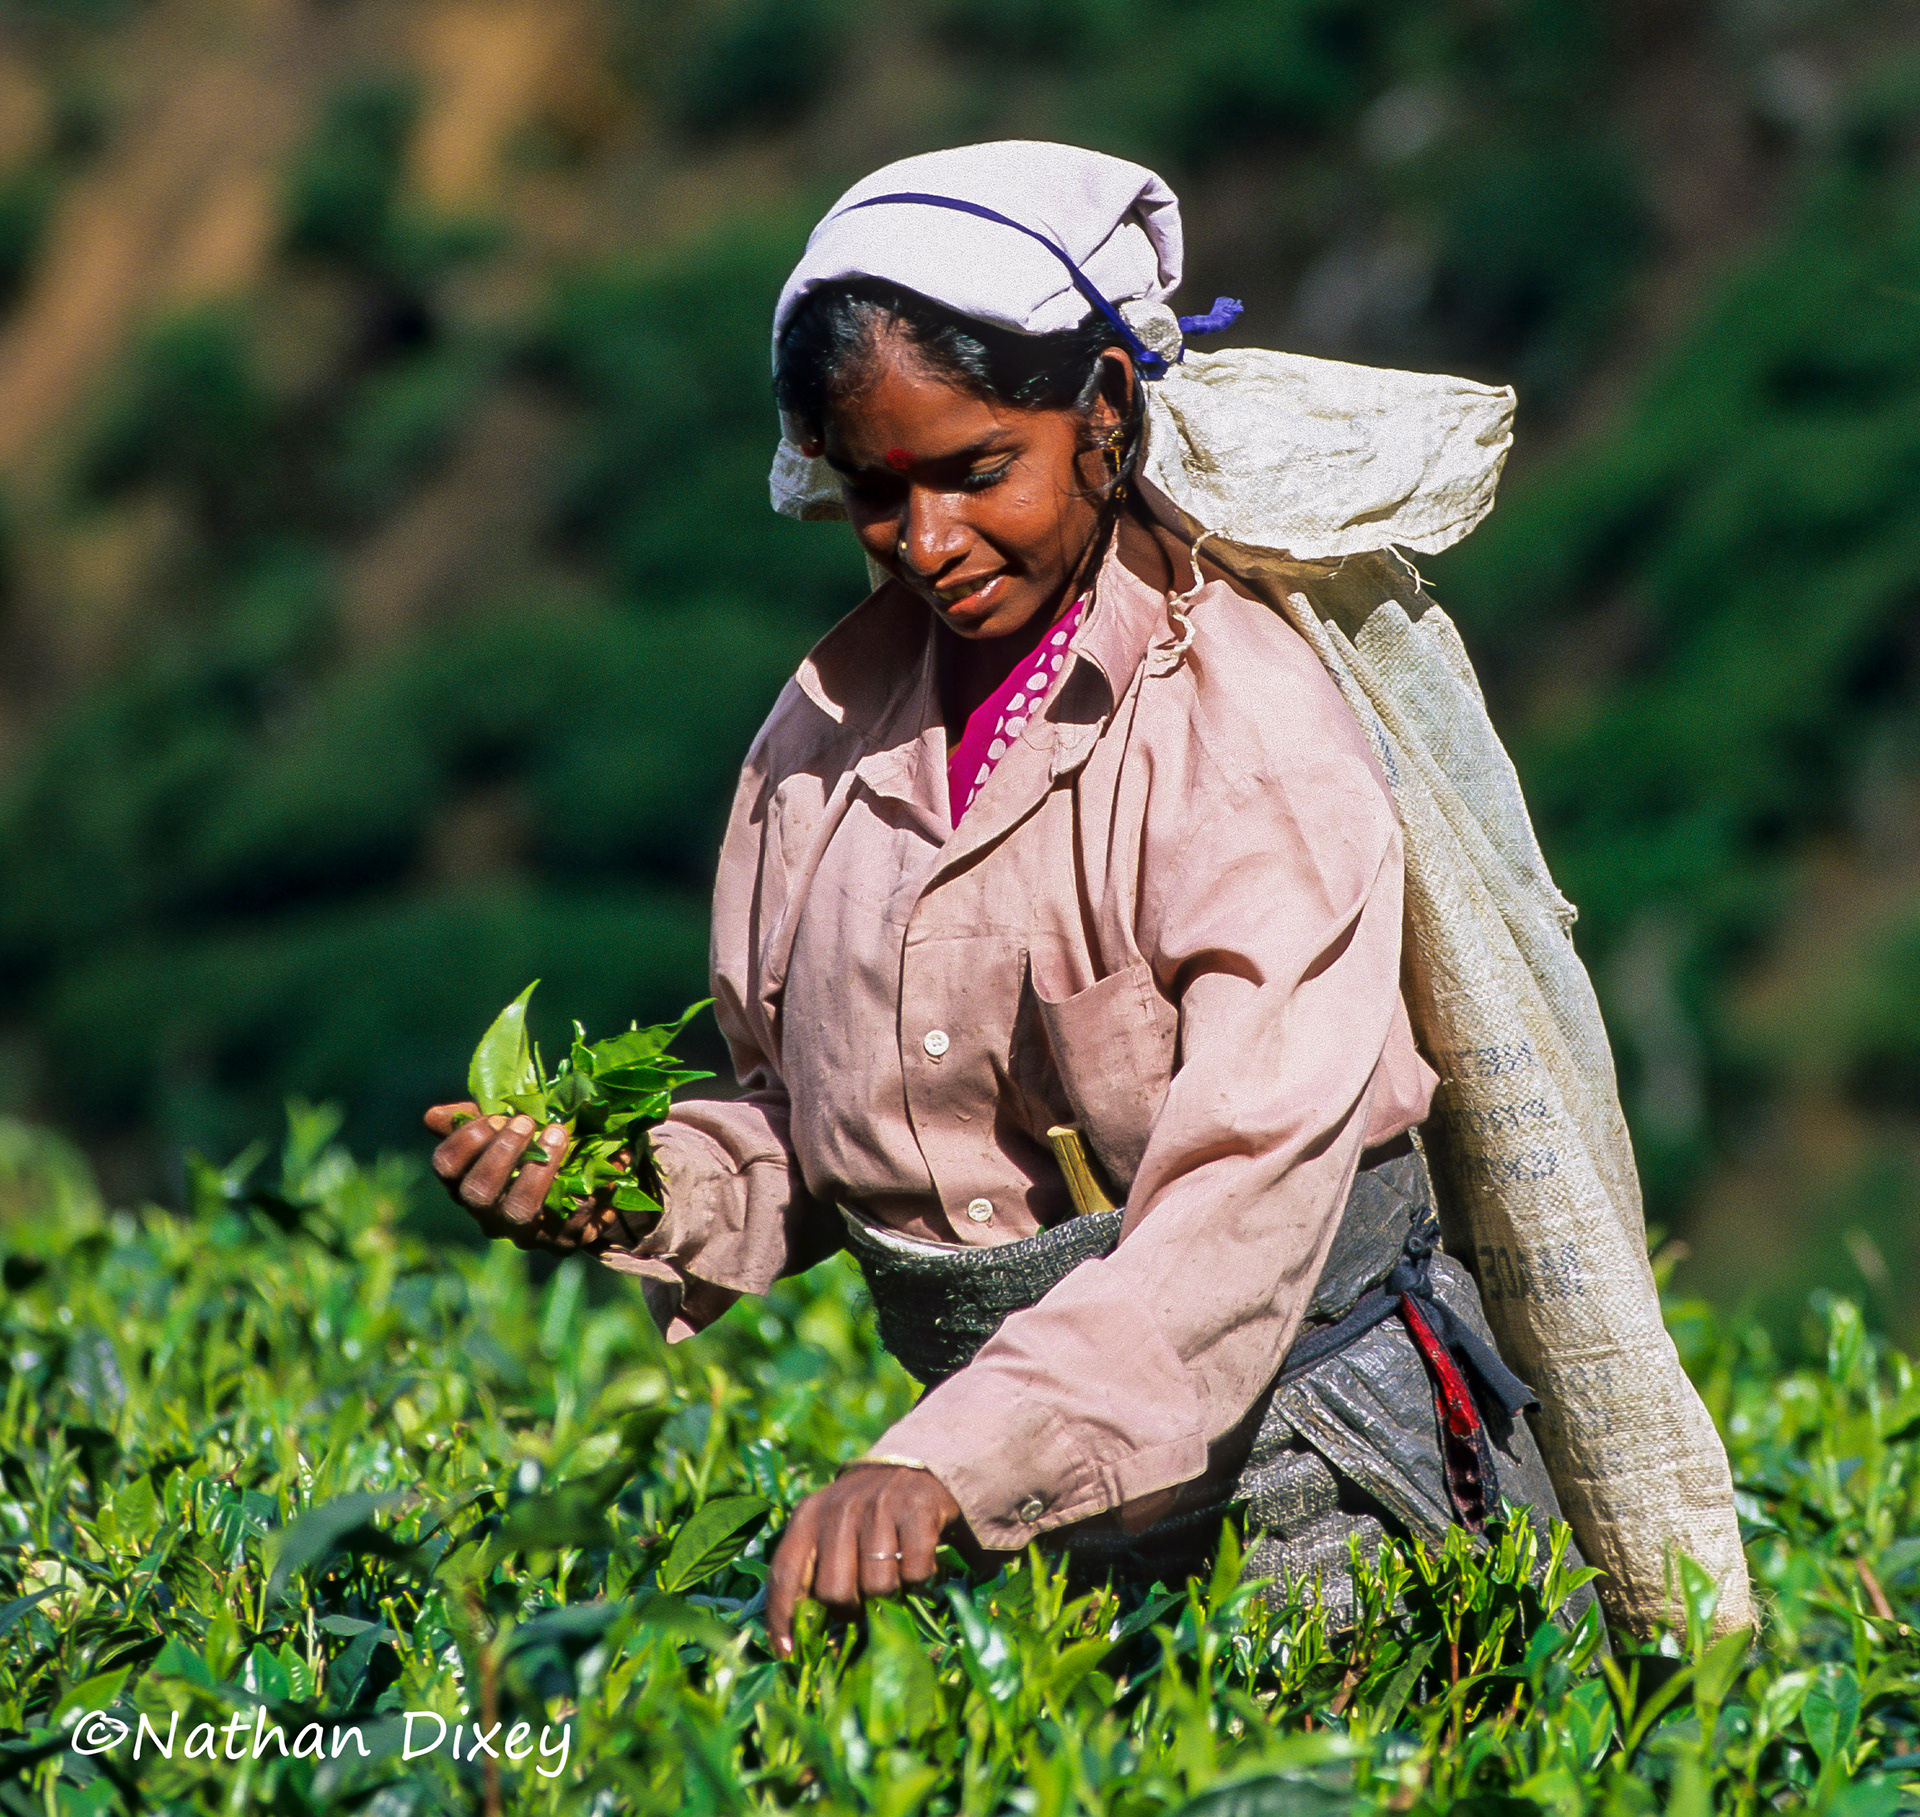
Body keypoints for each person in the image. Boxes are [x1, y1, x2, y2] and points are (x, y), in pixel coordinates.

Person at [425, 141, 1591, 1659]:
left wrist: (946, 1457)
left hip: (1326, 1480)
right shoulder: (820, 747)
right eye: (874, 491)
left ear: (1104, 412)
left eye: (979, 470)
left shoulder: (1238, 724)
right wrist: (639, 1184)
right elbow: (815, 1120)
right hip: (1024, 1529)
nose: (924, 543)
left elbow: (1245, 1192)